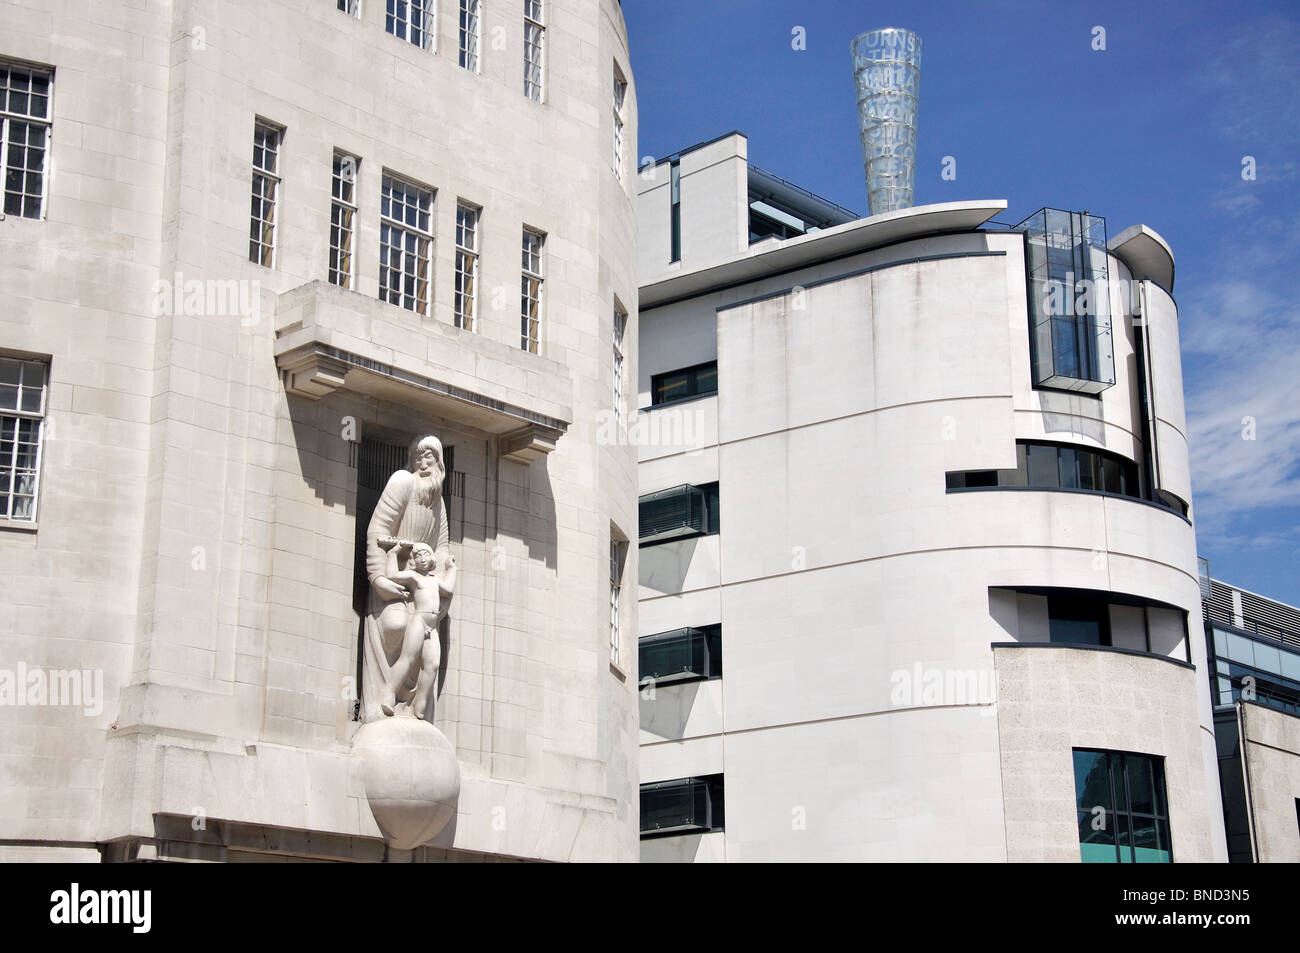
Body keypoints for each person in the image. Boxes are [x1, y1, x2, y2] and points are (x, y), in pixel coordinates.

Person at [362, 435, 452, 722]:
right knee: (395, 623)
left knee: (431, 661)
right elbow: (377, 530)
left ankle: (417, 708)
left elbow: (442, 549)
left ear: (440, 462)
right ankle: (387, 697)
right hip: (395, 575)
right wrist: (378, 578)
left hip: (424, 588)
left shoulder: (439, 501)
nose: (424, 464)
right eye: (419, 458)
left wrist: (443, 584)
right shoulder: (402, 481)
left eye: (431, 458)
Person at [376, 538, 457, 718]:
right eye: (417, 555)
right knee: (408, 658)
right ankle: (389, 693)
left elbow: (449, 590)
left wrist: (451, 568)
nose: (421, 558)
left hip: (433, 626)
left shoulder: (435, 580)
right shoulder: (414, 577)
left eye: (424, 554)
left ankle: (420, 701)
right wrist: (393, 553)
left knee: (433, 665)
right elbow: (392, 575)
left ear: (431, 559)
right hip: (419, 621)